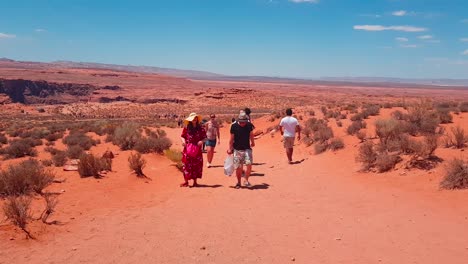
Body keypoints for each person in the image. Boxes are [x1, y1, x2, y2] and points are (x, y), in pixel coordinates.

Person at [228, 112, 255, 189]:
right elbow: (231, 139)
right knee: (239, 167)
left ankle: (246, 180)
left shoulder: (249, 125)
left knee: (249, 165)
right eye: (241, 122)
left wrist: (253, 142)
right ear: (238, 120)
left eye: (244, 122)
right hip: (237, 149)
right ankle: (239, 182)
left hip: (247, 148)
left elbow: (251, 134)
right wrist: (230, 148)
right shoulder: (234, 126)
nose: (242, 123)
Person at [180, 113, 207, 187]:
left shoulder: (201, 128)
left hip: (197, 150)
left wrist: (202, 141)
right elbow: (182, 136)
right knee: (186, 165)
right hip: (188, 149)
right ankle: (186, 182)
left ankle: (195, 182)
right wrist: (183, 142)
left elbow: (205, 138)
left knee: (197, 165)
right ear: (190, 120)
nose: (194, 119)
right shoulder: (186, 128)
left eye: (195, 118)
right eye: (193, 118)